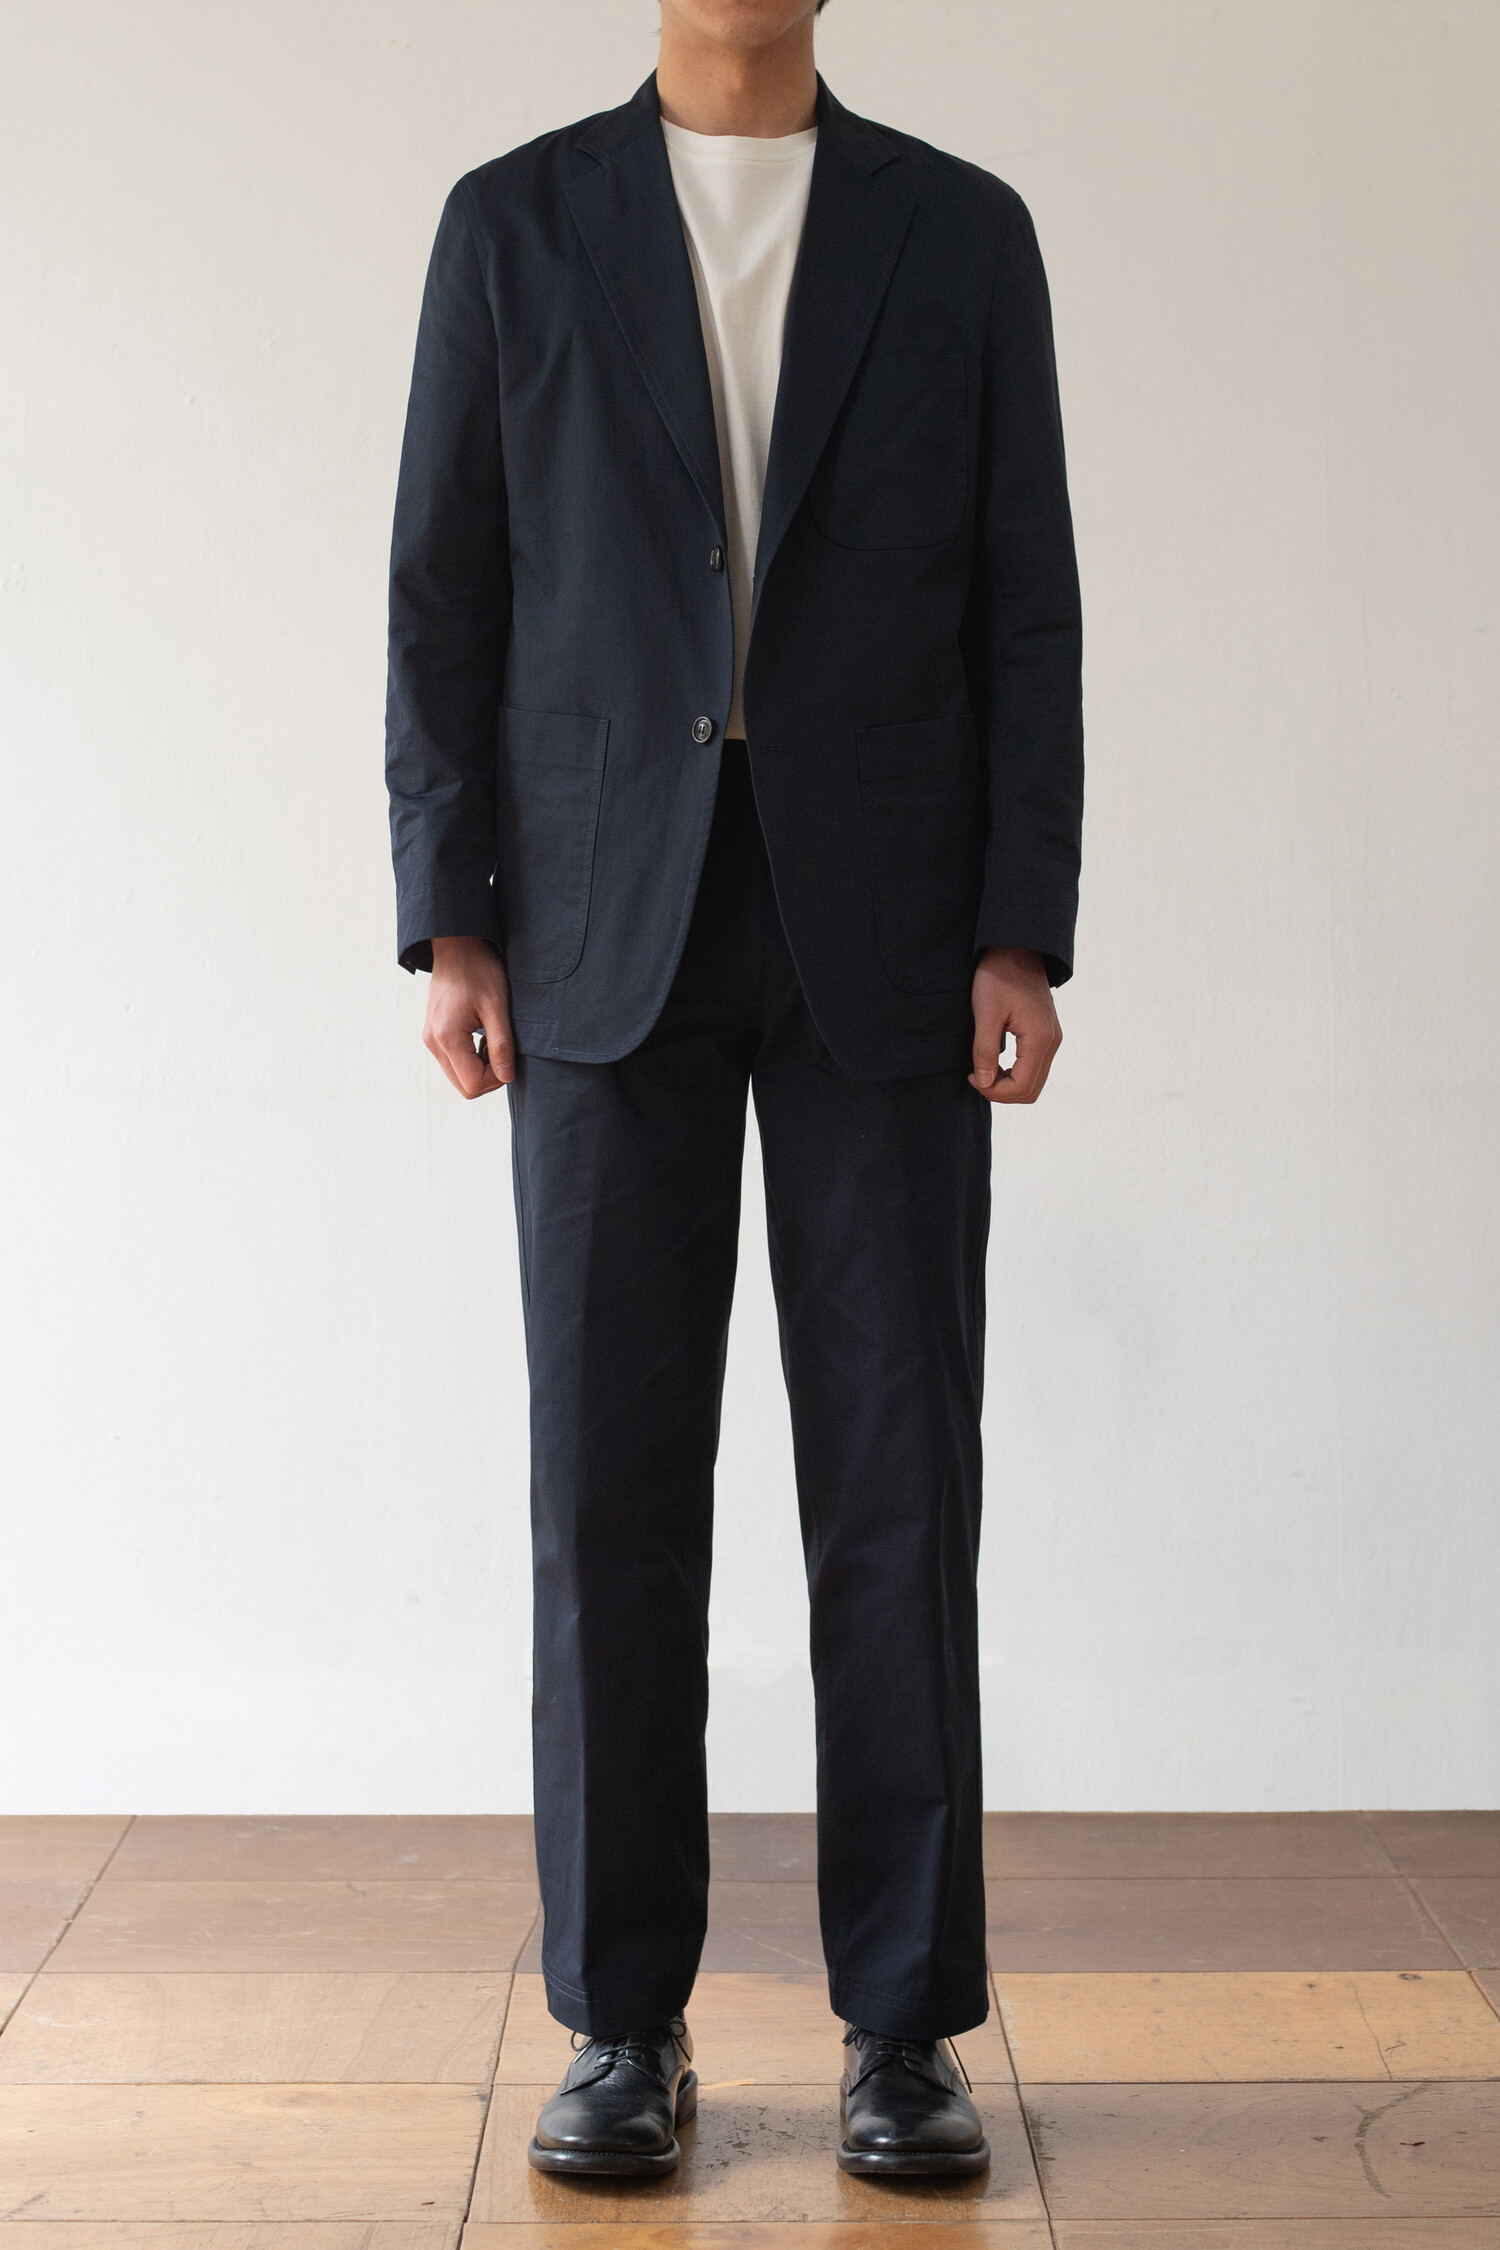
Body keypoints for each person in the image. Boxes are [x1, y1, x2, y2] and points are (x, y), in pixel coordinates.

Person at [386, 0, 1082, 2182]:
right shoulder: (514, 228)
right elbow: (443, 587)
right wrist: (451, 915)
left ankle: (907, 2023)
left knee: (899, 1487)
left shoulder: (961, 235)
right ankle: (622, 2017)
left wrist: (1021, 924)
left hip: (892, 925)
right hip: (604, 923)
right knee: (607, 1490)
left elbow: (1031, 604)